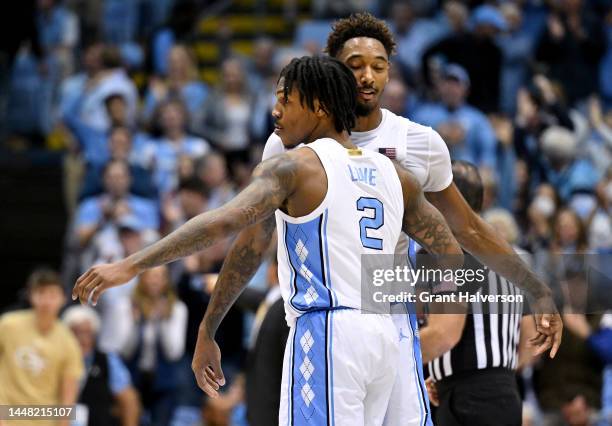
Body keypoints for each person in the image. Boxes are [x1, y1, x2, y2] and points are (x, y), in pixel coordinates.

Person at [197, 12, 561, 426]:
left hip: (394, 324)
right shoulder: (288, 145)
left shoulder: (419, 143)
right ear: (334, 69)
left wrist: (536, 288)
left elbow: (469, 229)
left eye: (379, 66)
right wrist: (211, 325)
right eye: (355, 66)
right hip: (321, 315)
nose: (367, 77)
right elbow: (252, 242)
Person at [73, 55, 464, 425]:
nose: (275, 111)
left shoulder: (295, 167)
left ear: (319, 107)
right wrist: (412, 301)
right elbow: (449, 251)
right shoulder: (394, 174)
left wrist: (131, 264)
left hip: (330, 332)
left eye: (285, 100)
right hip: (385, 335)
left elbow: (220, 222)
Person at [419, 161, 537, 426]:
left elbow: (444, 334)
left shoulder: (445, 250)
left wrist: (398, 363)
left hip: (469, 402)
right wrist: (454, 374)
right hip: (505, 395)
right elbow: (530, 340)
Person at [0, 268, 83, 426]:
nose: (46, 301)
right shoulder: (7, 325)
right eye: (40, 293)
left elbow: (68, 397)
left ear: (63, 298)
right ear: (31, 296)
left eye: (52, 295)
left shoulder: (69, 342)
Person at [62, 305, 140, 426]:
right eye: (76, 332)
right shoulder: (57, 358)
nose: (82, 338)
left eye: (87, 332)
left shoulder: (108, 360)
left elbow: (128, 399)